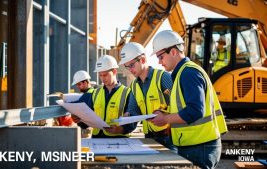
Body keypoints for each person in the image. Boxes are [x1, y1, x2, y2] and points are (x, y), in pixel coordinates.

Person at [150, 30, 228, 169]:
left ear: (173, 52)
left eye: (161, 56)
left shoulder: (188, 73)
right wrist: (166, 115)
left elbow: (195, 111)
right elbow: (188, 109)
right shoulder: (183, 73)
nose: (159, 62)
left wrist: (166, 119)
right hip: (197, 145)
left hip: (200, 146)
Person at [119, 42, 176, 151]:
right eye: (127, 66)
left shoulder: (162, 77)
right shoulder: (134, 86)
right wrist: (127, 116)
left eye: (131, 65)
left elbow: (180, 105)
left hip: (169, 138)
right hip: (149, 138)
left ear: (143, 60)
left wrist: (164, 114)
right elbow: (133, 110)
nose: (130, 70)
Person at [72, 55, 136, 138]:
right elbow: (88, 119)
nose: (102, 79)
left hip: (119, 140)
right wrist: (79, 120)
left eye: (105, 75)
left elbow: (133, 120)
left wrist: (120, 129)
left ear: (114, 72)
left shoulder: (127, 93)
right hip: (97, 139)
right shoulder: (95, 93)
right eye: (100, 75)